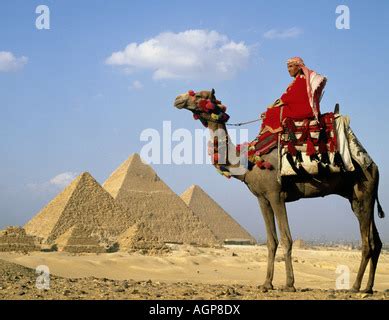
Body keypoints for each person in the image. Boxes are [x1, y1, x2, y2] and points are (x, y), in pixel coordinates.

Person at [260, 57, 327, 134]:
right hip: (300, 108)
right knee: (272, 111)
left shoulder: (301, 80)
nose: (288, 70)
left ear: (299, 67)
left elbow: (288, 98)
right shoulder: (299, 80)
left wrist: (271, 107)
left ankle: (261, 139)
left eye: (291, 66)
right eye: (288, 67)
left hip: (303, 110)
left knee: (271, 113)